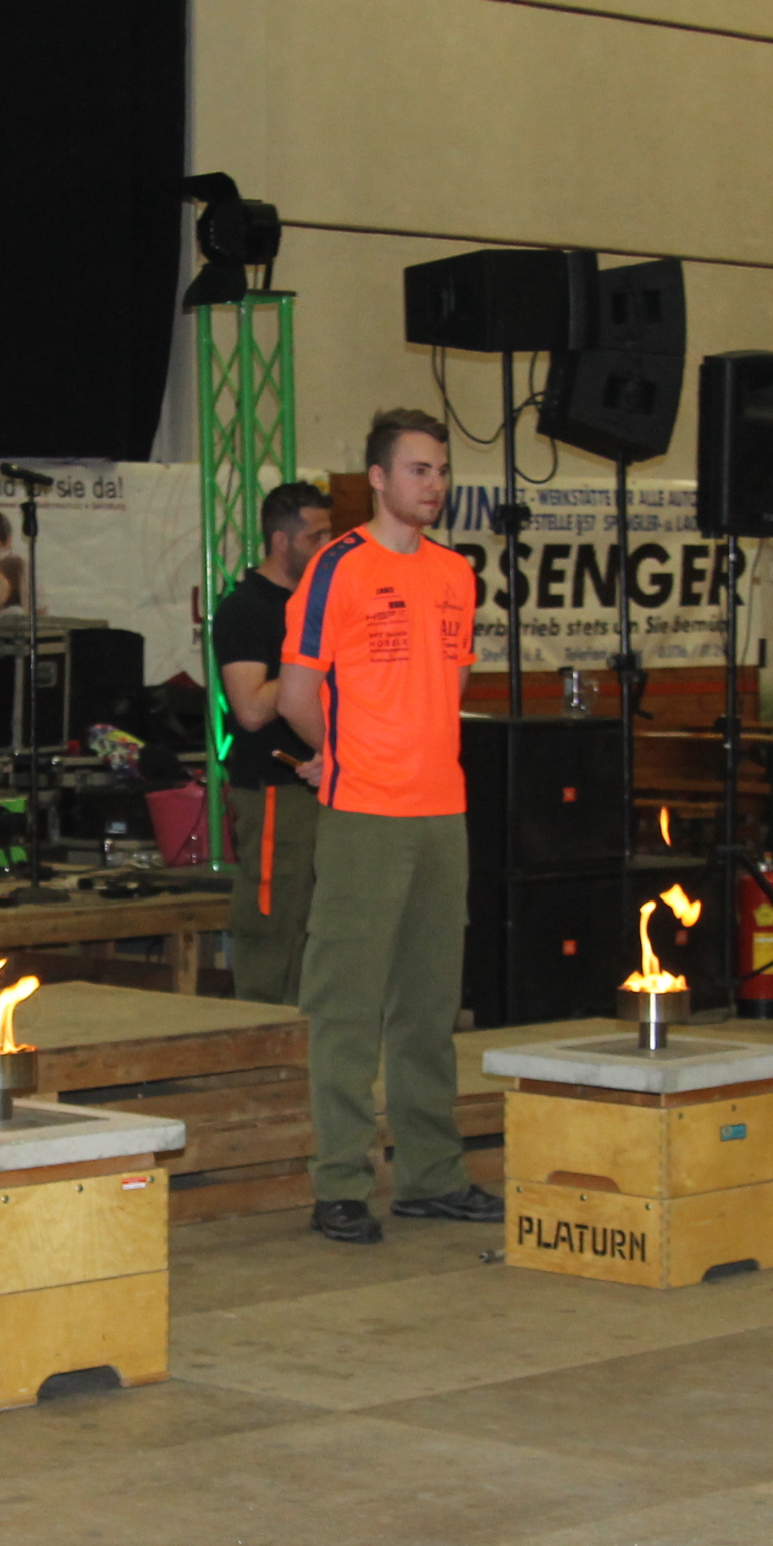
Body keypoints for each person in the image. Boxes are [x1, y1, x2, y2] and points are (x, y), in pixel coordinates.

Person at [280, 411, 500, 1244]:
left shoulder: (455, 574)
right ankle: (339, 1183)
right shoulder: (337, 568)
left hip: (443, 814)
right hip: (366, 814)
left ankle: (431, 1176)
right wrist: (342, 755)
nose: (432, 484)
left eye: (440, 470)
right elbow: (296, 695)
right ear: (377, 479)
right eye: (417, 470)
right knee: (346, 1009)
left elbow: (452, 686)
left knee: (429, 1008)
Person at [213, 480, 333, 1004]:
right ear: (281, 542)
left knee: (315, 922)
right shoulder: (247, 608)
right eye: (315, 537)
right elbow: (250, 708)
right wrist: (309, 665)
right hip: (275, 786)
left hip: (328, 781)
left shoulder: (317, 604)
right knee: (273, 917)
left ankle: (307, 1032)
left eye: (331, 535)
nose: (326, 547)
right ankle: (259, 1027)